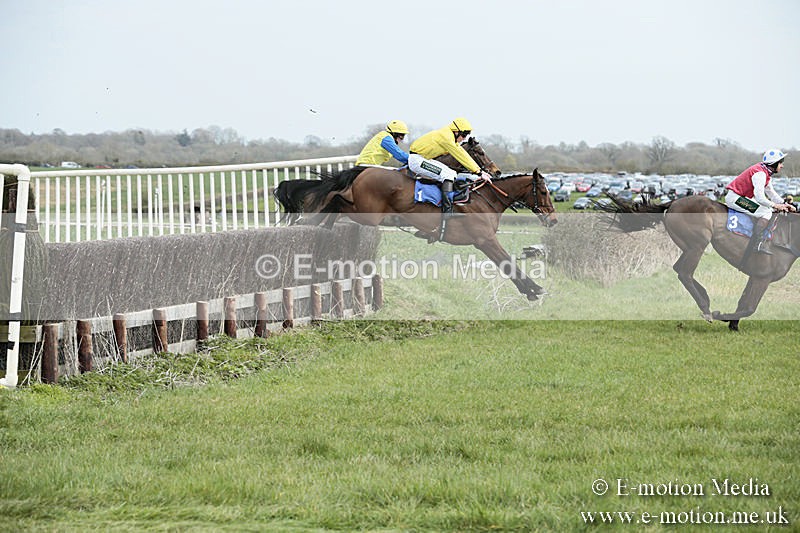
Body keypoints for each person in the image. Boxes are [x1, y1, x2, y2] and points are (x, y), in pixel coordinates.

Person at [408, 117, 490, 216]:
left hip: (422, 158)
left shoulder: (448, 135)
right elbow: (460, 154)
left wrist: (479, 170)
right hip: (417, 160)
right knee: (448, 175)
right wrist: (479, 172)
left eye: (467, 135)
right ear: (456, 132)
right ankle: (447, 211)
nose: (464, 138)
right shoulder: (446, 137)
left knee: (452, 173)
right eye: (464, 135)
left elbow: (460, 151)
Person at [725, 149, 797, 254]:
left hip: (741, 197)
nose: (782, 166)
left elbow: (771, 194)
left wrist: (784, 204)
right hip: (735, 198)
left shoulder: (765, 172)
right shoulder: (760, 174)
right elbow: (760, 198)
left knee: (768, 209)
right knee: (766, 212)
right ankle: (757, 243)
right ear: (774, 163)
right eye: (781, 163)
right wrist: (776, 205)